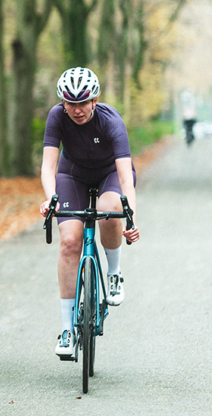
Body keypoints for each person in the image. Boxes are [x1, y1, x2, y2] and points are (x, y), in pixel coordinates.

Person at [39, 67, 140, 358]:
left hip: (110, 174)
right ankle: (67, 330)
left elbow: (125, 178)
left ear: (95, 100)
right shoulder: (57, 117)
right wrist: (51, 198)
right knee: (70, 242)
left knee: (108, 209)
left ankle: (114, 272)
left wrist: (130, 217)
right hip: (72, 175)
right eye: (70, 103)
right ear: (63, 102)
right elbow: (48, 166)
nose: (77, 110)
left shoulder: (111, 121)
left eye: (83, 102)